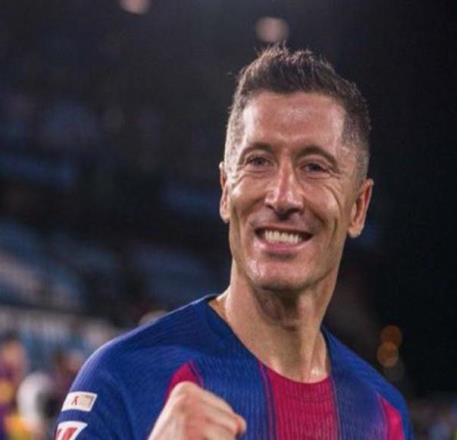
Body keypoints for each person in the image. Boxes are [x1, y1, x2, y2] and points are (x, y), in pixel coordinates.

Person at [55, 46, 414, 439]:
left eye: (314, 167)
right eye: (258, 161)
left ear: (358, 208)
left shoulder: (385, 415)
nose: (282, 196)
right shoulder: (124, 377)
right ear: (226, 191)